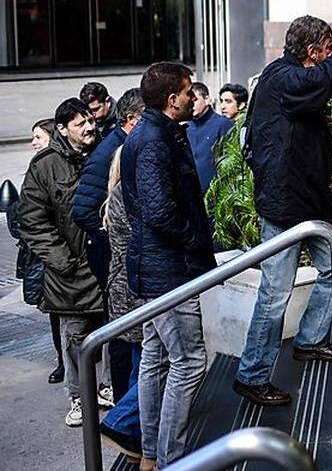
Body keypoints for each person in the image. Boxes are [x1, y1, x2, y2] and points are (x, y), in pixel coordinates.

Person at [233, 15, 332, 407]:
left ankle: (308, 340)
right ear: (312, 52)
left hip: (307, 202)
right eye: (328, 50)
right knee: (274, 293)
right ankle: (252, 375)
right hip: (284, 205)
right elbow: (314, 83)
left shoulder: (291, 78)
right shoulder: (283, 78)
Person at [122, 61, 215, 468]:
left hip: (158, 266)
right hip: (167, 270)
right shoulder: (154, 140)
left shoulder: (157, 133)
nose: (194, 95)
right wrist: (196, 239)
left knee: (156, 359)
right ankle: (170, 458)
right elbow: (159, 211)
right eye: (189, 89)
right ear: (172, 98)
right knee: (190, 362)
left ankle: (150, 455)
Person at [19, 98, 112, 427]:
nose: (89, 127)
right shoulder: (45, 165)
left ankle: (106, 388)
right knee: (75, 339)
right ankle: (78, 397)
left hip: (105, 264)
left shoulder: (106, 150)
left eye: (90, 120)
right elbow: (31, 220)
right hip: (68, 273)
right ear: (62, 129)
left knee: (114, 331)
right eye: (80, 123)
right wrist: (63, 260)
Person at [71, 88, 144, 422]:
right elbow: (83, 210)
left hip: (118, 254)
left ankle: (125, 404)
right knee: (122, 333)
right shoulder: (110, 151)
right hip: (112, 256)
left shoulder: (122, 142)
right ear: (131, 119)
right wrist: (114, 234)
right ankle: (122, 407)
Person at [98, 144, 145, 461]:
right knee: (155, 364)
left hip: (121, 290)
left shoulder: (115, 193)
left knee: (139, 360)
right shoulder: (127, 196)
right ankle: (120, 423)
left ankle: (133, 436)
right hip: (134, 292)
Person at [12, 119, 66, 384]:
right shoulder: (37, 169)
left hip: (57, 256)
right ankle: (62, 360)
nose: (33, 142)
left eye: (38, 137)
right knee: (54, 313)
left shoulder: (58, 167)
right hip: (44, 257)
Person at [185, 81, 234, 192]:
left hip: (217, 194)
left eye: (195, 100)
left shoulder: (223, 125)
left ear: (207, 99)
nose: (192, 105)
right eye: (189, 101)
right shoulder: (186, 128)